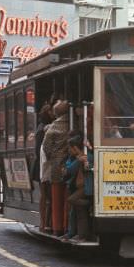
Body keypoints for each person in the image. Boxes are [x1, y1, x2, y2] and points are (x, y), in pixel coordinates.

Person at [42, 100, 70, 236]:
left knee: (57, 196)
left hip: (57, 165)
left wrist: (53, 157)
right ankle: (67, 226)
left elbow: (46, 147)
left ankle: (57, 227)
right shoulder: (72, 124)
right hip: (71, 162)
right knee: (68, 195)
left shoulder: (53, 127)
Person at [62, 135, 94, 243]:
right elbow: (69, 170)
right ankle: (78, 234)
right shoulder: (73, 158)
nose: (69, 150)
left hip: (86, 188)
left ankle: (88, 203)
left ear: (75, 147)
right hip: (76, 187)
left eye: (70, 148)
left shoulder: (88, 156)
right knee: (78, 211)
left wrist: (82, 161)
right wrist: (78, 161)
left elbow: (91, 167)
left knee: (72, 200)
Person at [34, 104, 53, 232]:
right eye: (51, 111)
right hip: (42, 165)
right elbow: (40, 150)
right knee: (45, 195)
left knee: (45, 196)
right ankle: (43, 222)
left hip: (41, 164)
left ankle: (45, 222)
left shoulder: (41, 127)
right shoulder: (43, 129)